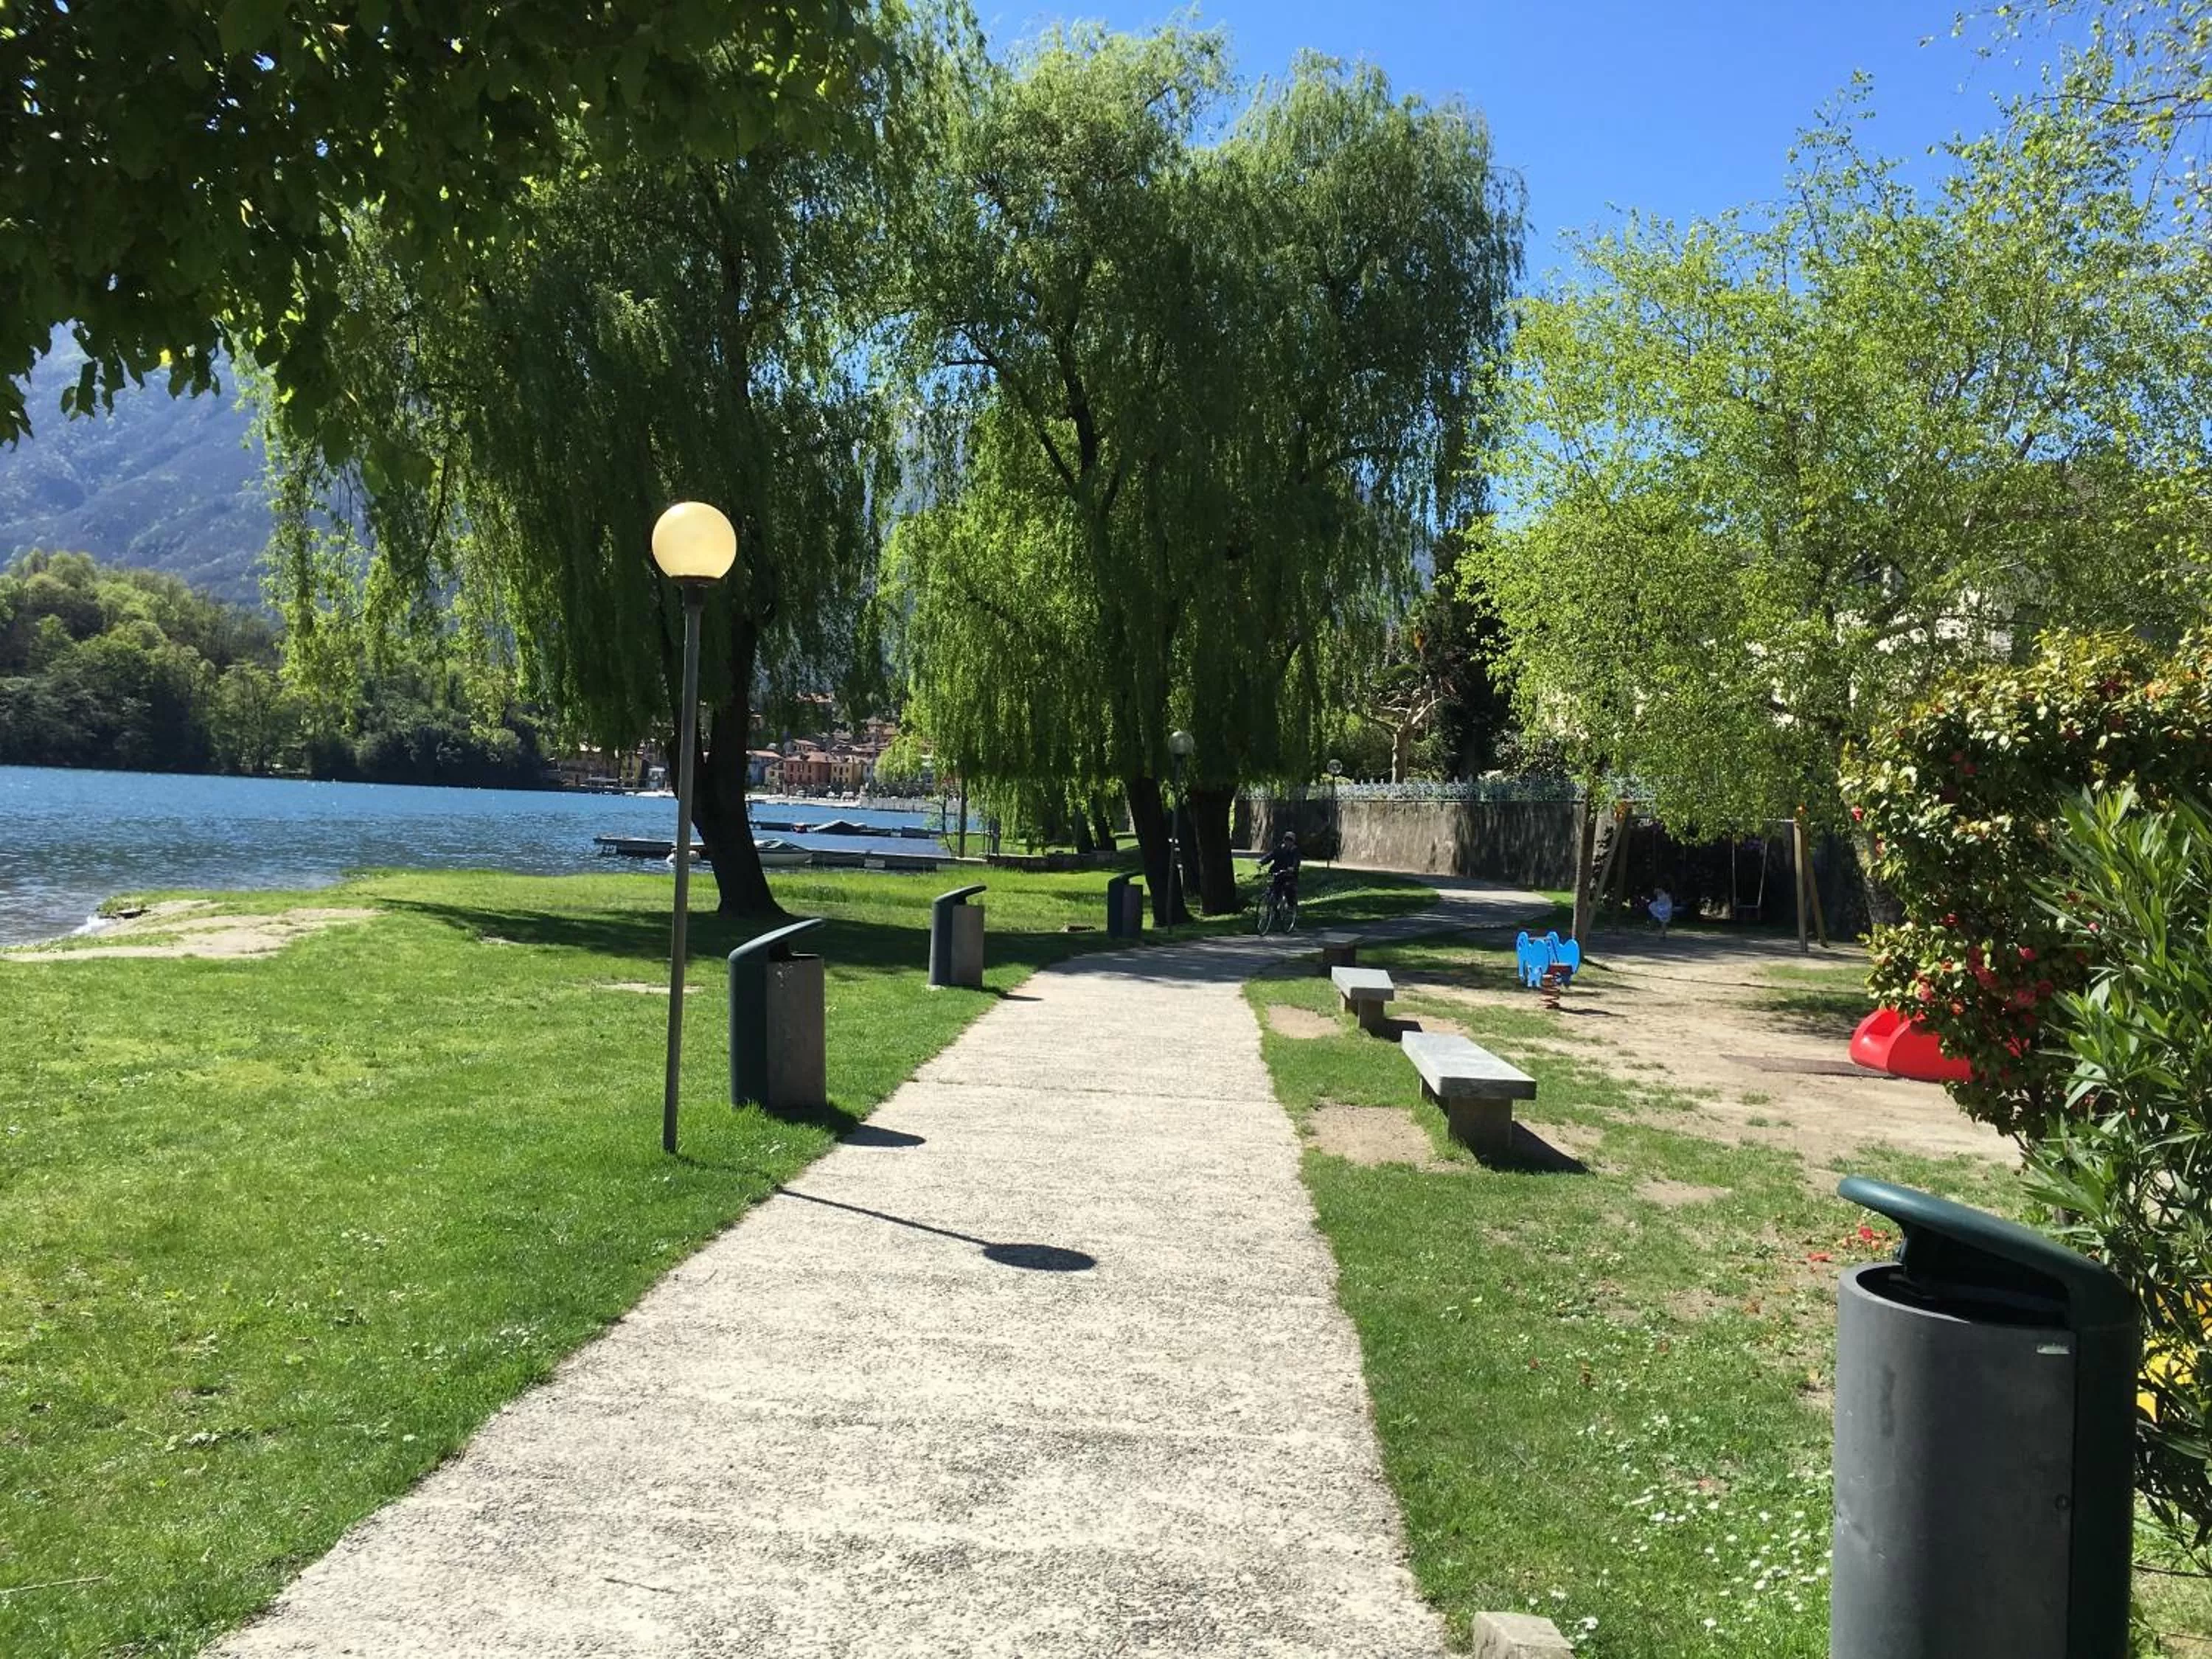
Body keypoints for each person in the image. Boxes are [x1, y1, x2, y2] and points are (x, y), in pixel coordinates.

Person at [1259, 830, 1302, 911]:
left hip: (1289, 876)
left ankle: (1291, 905)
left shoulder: (1295, 851)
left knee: (1288, 887)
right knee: (1274, 888)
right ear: (1284, 840)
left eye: (1290, 840)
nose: (1288, 842)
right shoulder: (1279, 849)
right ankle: (1274, 907)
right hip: (1277, 873)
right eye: (1286, 839)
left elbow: (1296, 861)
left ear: (1293, 842)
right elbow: (1270, 856)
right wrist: (1261, 862)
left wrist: (1292, 868)